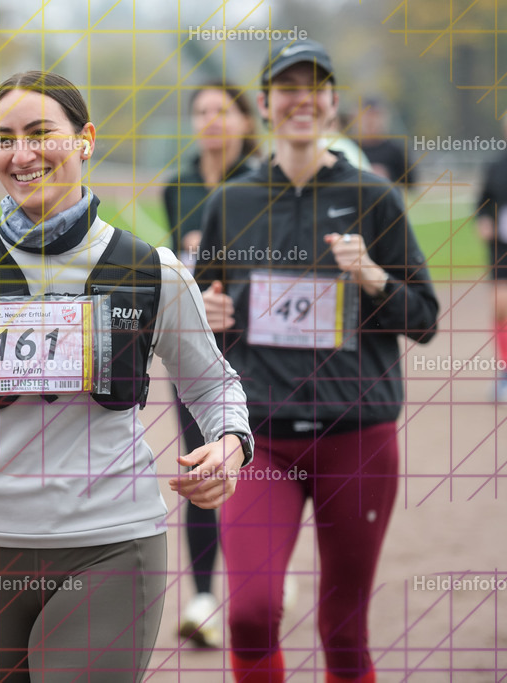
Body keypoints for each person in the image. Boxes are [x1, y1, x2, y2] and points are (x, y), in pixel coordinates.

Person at [0, 70, 255, 682]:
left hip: (111, 544)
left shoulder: (152, 271)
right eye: (4, 137)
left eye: (42, 133)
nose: (23, 155)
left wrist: (228, 445)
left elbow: (213, 384)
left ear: (85, 140)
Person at [196, 40, 439, 683]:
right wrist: (210, 319)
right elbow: (200, 325)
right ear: (268, 104)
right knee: (247, 613)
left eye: (316, 86)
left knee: (343, 629)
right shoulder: (230, 201)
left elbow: (426, 320)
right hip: (262, 439)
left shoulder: (374, 196)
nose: (302, 98)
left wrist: (372, 278)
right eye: (287, 87)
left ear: (333, 103)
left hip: (356, 437)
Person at [162, 81, 259, 648]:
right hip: (199, 348)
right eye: (200, 111)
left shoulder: (269, 182)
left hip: (264, 353)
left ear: (246, 120)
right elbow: (187, 268)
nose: (211, 121)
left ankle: (258, 580)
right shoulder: (179, 187)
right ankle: (202, 598)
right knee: (199, 463)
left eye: (222, 110)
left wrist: (238, 305)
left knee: (257, 464)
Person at [475, 115, 507, 400]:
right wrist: (483, 220)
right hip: (501, 247)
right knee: (501, 307)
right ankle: (505, 371)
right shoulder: (496, 166)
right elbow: (482, 203)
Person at [358, 96, 417, 192]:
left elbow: (411, 184)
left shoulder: (396, 150)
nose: (372, 121)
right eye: (368, 116)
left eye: (376, 116)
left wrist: (387, 178)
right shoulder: (351, 148)